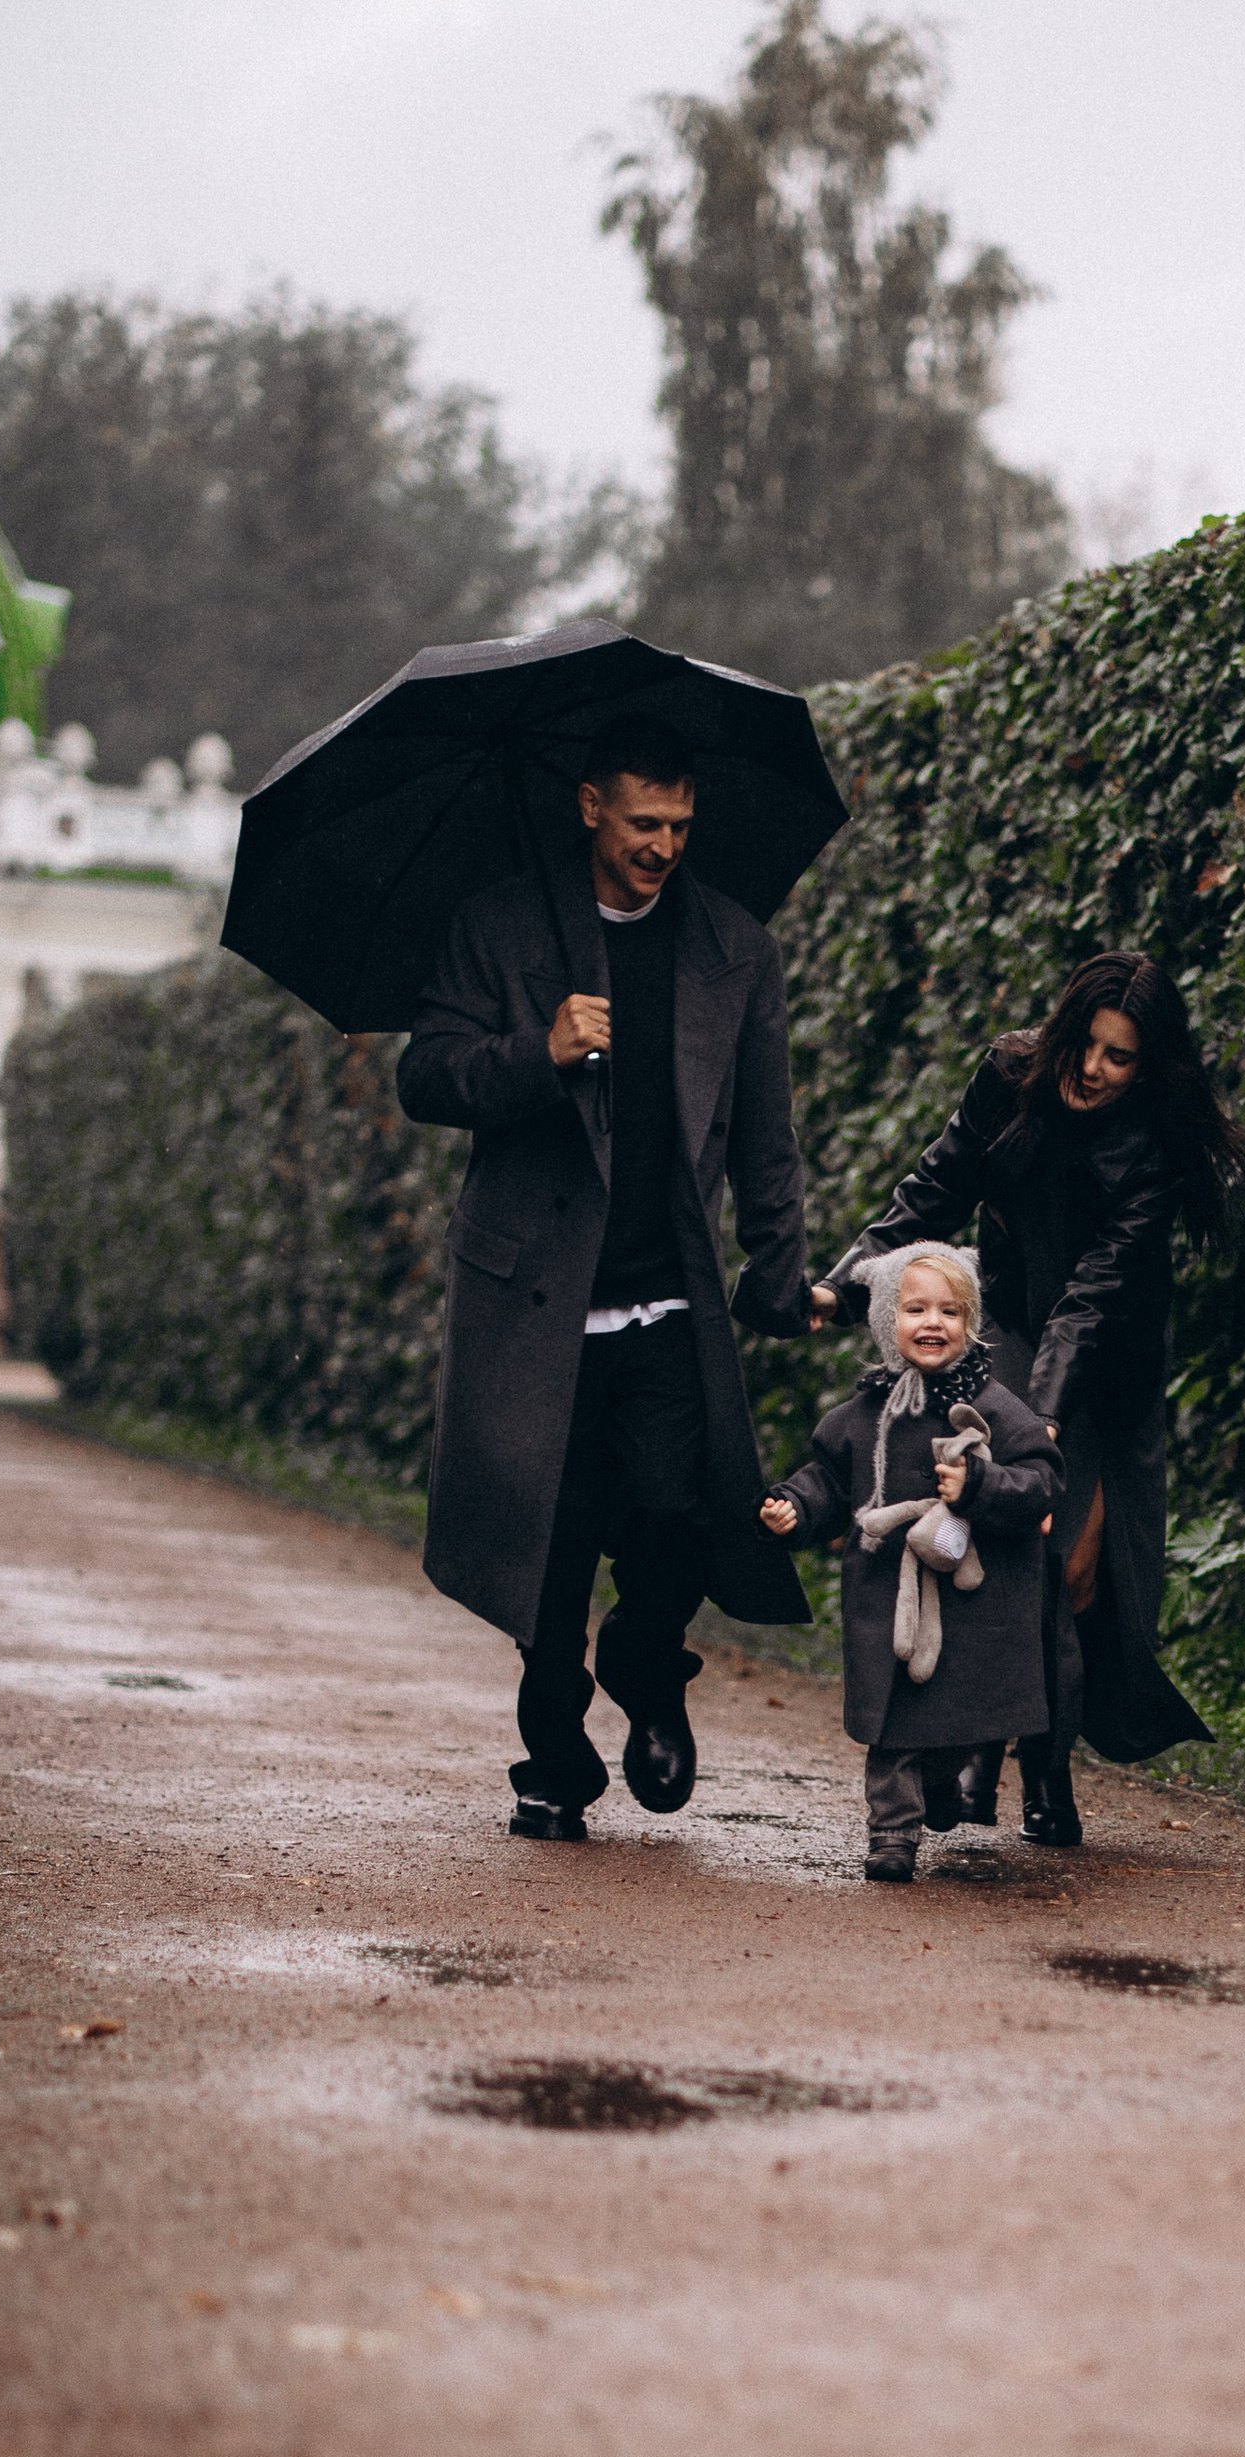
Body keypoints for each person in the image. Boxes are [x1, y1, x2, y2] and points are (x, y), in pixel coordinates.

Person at [396, 714, 814, 1842]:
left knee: (676, 1515)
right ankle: (551, 1760)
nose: (663, 845)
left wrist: (782, 1271)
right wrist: (537, 1050)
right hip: (531, 1298)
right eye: (643, 822)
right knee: (553, 1533)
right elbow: (422, 1074)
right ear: (591, 807)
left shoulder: (736, 948)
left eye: (681, 824)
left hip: (668, 1297)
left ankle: (645, 1659)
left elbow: (769, 1137)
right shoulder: (497, 926)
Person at [815, 951, 1245, 1850]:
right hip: (1013, 1326)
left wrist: (1045, 1424)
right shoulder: (1011, 1075)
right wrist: (844, 1280)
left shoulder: (1156, 1147)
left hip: (1110, 1360)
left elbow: (1092, 1301)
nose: (1096, 1071)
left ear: (1149, 1066)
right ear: (1066, 1029)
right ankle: (981, 1747)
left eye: (1122, 1057)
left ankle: (1046, 1759)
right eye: (1089, 1045)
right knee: (1016, 1543)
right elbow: (934, 1186)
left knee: (1081, 1567)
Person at [762, 1243, 1063, 1883]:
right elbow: (826, 1477)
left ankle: (941, 1782)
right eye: (915, 1309)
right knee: (893, 1723)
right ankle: (892, 1836)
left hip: (973, 1606)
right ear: (884, 1322)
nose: (933, 1323)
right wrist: (795, 1505)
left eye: (950, 1311)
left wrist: (980, 1484)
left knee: (962, 1717)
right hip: (886, 1595)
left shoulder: (996, 1404)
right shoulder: (861, 1416)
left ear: (970, 1322)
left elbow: (1041, 1479)